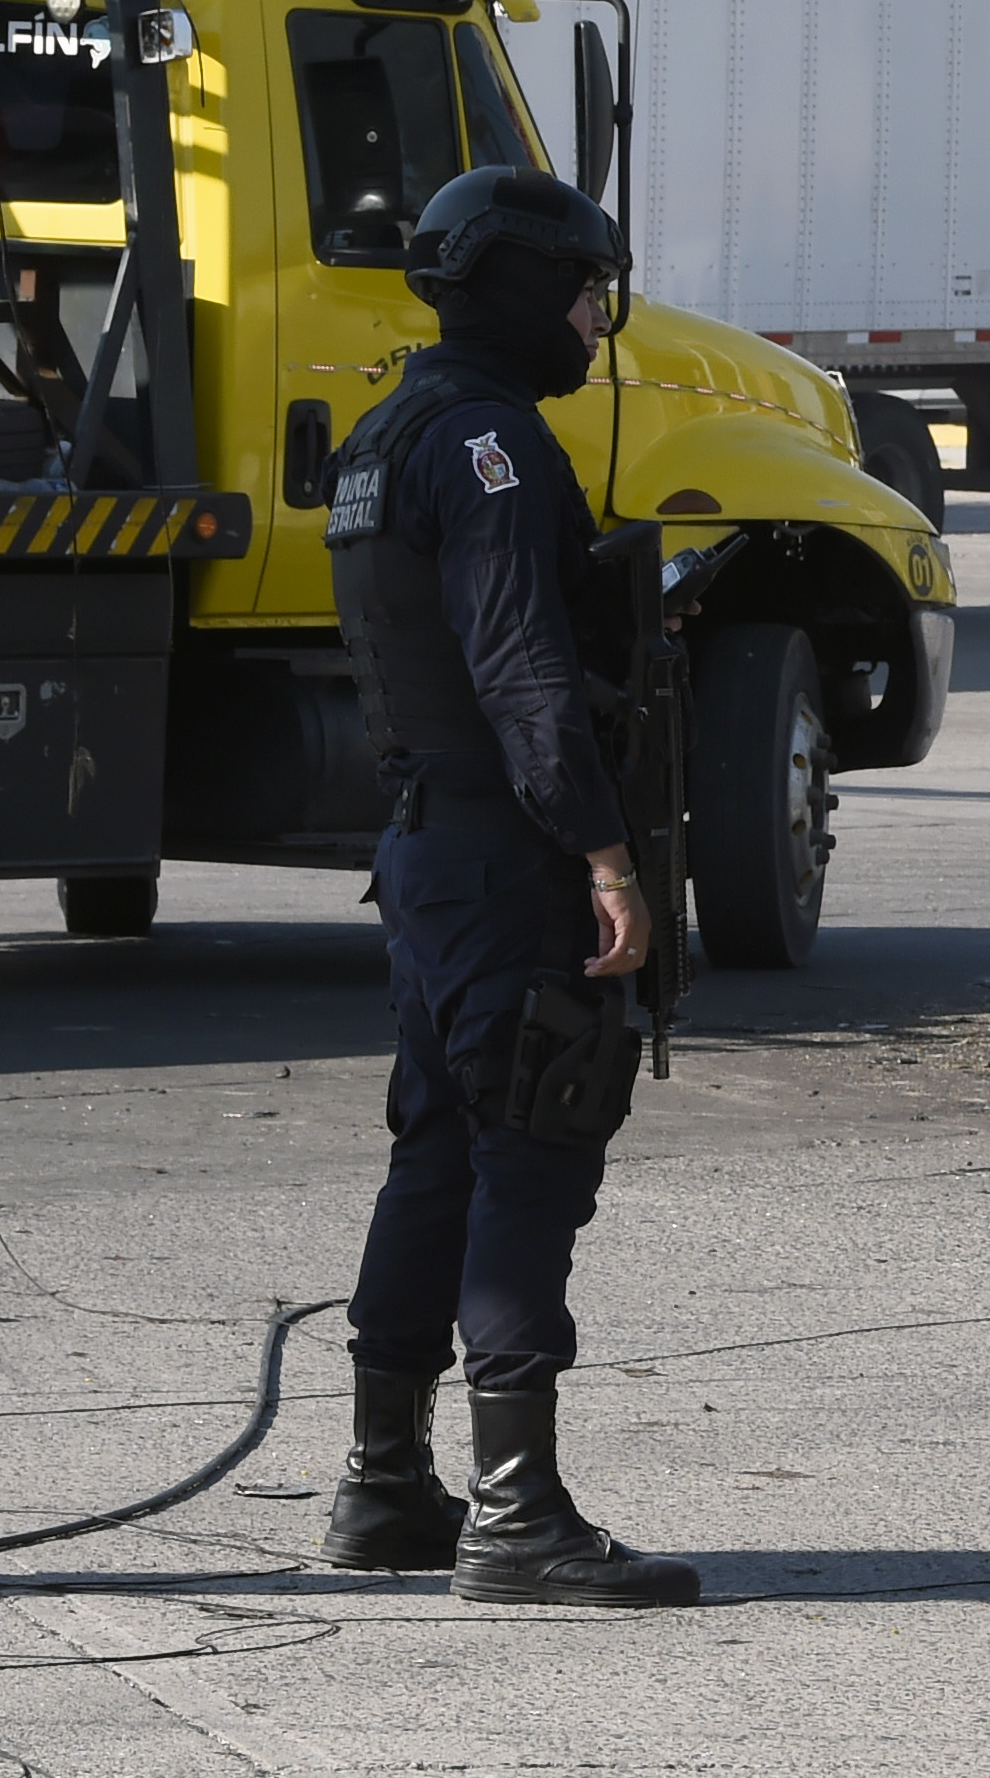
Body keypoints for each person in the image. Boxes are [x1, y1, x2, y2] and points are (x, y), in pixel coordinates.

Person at [317, 167, 697, 1609]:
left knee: (443, 1151)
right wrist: (606, 856)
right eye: (588, 292)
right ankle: (517, 1516)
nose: (597, 323)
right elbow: (525, 670)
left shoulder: (389, 429)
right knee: (533, 1144)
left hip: (424, 846)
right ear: (533, 286)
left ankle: (385, 1485)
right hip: (500, 846)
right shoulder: (489, 443)